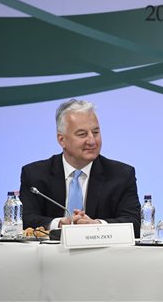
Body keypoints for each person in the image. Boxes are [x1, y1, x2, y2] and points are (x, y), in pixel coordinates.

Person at [19, 99, 141, 236]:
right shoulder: (35, 174)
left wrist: (97, 225)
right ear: (61, 139)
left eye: (95, 132)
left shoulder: (121, 175)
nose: (92, 141)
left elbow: (134, 223)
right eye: (82, 134)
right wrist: (59, 223)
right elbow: (24, 219)